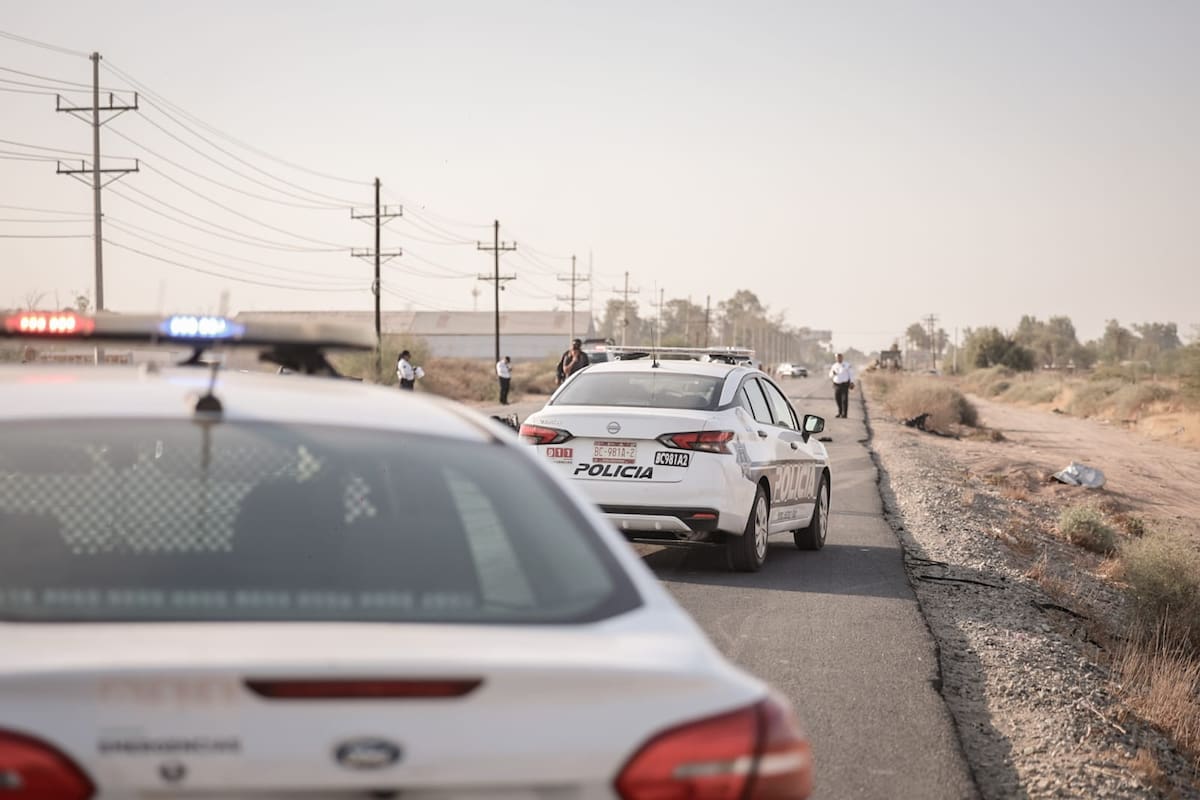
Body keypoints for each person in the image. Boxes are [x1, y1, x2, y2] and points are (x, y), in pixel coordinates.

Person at [829, 353, 855, 418]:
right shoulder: (834, 366)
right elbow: (830, 375)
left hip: (844, 384)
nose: (839, 358)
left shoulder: (847, 365)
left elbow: (851, 374)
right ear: (836, 358)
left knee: (844, 399)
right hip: (837, 384)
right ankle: (840, 412)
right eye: (837, 357)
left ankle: (844, 414)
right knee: (837, 399)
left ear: (842, 357)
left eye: (840, 357)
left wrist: (852, 382)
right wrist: (833, 373)